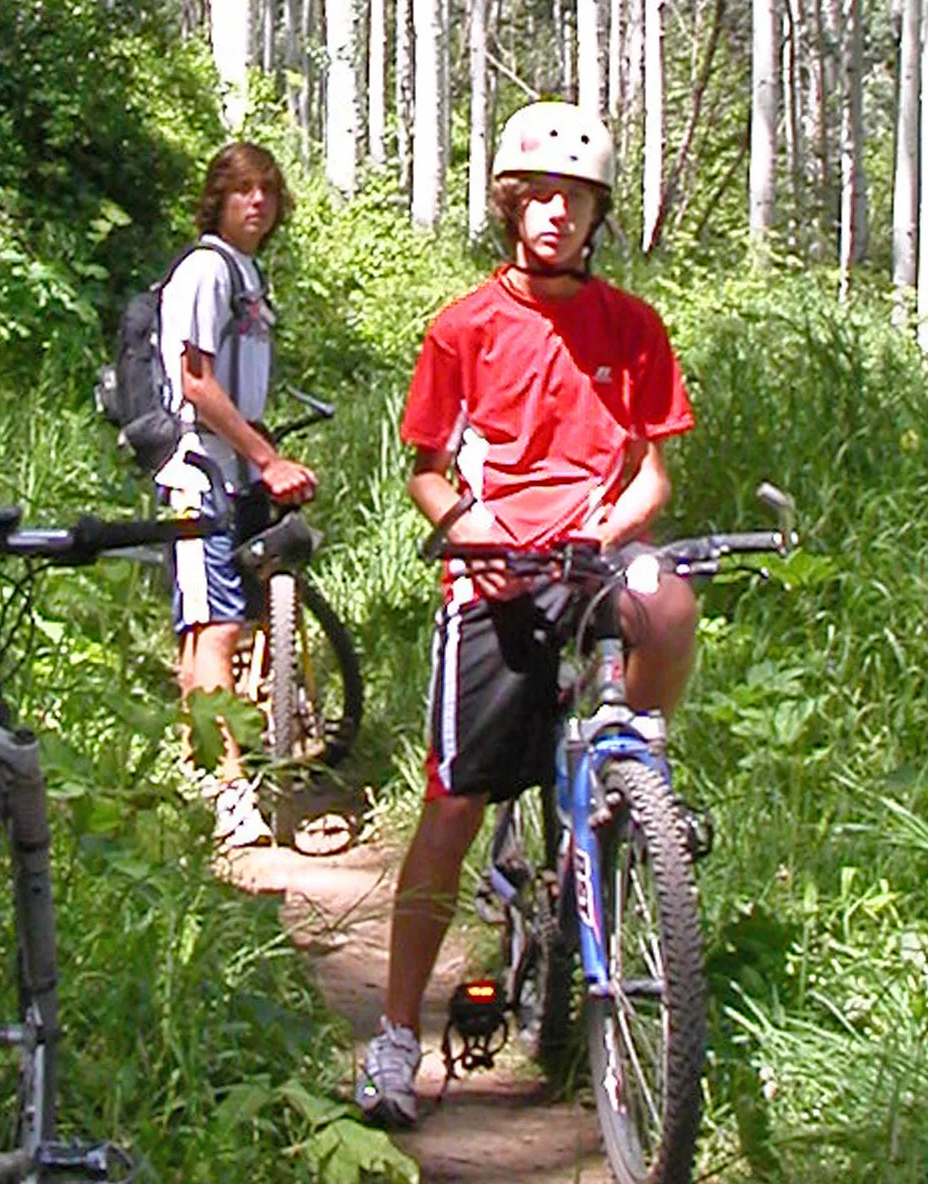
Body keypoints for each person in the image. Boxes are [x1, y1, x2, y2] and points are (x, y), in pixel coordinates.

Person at [354, 101, 695, 1129]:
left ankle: (636, 778)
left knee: (668, 601)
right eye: (536, 195)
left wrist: (609, 524)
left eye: (574, 198)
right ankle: (393, 1037)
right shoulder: (463, 327)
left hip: (591, 555)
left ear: (597, 213)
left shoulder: (630, 327)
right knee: (453, 807)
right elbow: (425, 471)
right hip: (493, 569)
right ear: (509, 205)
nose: (554, 213)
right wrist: (469, 529)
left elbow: (651, 474)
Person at [155, 141, 317, 850]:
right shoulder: (205, 269)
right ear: (217, 200)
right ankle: (231, 792)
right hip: (202, 469)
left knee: (213, 626)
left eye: (268, 192)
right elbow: (195, 383)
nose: (257, 203)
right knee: (217, 625)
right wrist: (265, 455)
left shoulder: (248, 276)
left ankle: (198, 771)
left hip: (237, 467)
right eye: (242, 190)